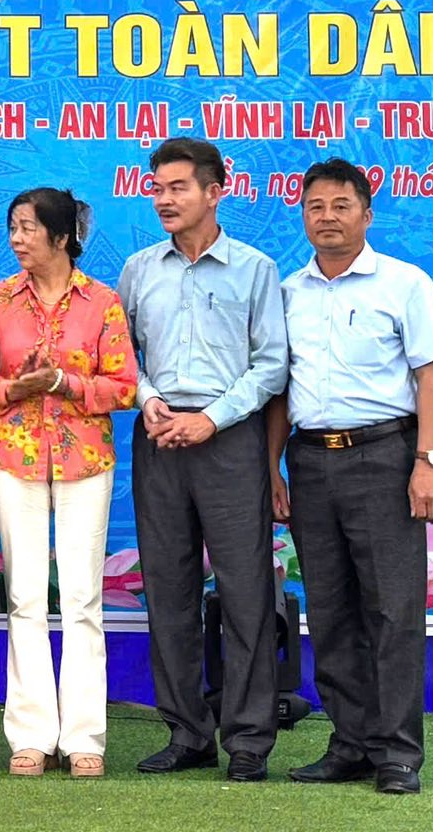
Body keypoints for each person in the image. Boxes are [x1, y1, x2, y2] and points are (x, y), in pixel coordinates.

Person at [266, 158, 433, 796]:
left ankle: (398, 754)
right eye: (315, 207)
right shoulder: (287, 292)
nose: (328, 218)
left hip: (385, 457)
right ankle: (351, 743)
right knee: (331, 610)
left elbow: (432, 375)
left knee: (393, 611)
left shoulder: (405, 283)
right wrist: (272, 468)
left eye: (341, 206)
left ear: (366, 215)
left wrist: (427, 462)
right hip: (310, 460)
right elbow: (279, 390)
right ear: (302, 216)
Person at [119, 137, 288, 781]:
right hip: (159, 438)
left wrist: (211, 417)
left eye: (178, 188)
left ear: (216, 192)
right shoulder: (139, 269)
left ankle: (247, 739)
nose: (164, 199)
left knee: (245, 592)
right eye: (157, 188)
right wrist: (148, 398)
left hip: (230, 437)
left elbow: (271, 364)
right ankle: (187, 731)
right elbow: (120, 354)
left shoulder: (254, 268)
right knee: (168, 590)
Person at [0, 188, 138, 779]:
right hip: (15, 458)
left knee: (81, 598)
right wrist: (13, 388)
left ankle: (83, 737)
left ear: (62, 236)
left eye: (28, 228)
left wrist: (65, 383)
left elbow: (124, 386)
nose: (17, 239)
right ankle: (30, 735)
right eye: (13, 227)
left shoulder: (103, 302)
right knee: (24, 597)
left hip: (84, 460)